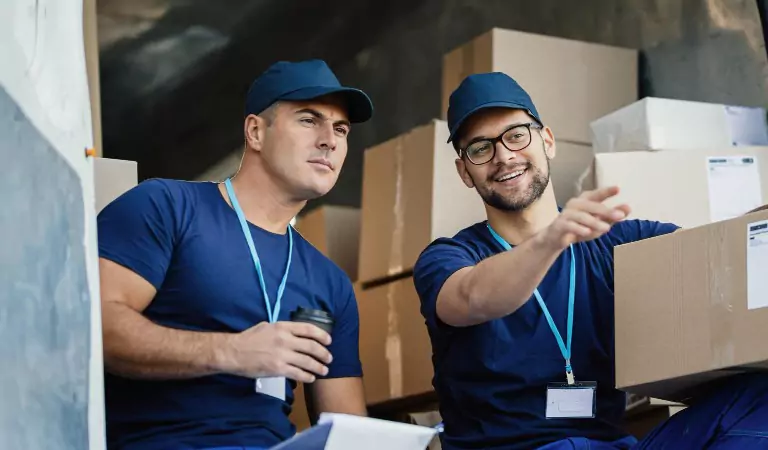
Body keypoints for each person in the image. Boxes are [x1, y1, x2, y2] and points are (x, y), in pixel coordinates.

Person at [412, 71, 768, 450]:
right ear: (464, 171)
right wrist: (551, 239)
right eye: (480, 148)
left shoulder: (617, 242)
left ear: (547, 141)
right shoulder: (448, 258)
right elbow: (473, 296)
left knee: (757, 396)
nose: (504, 156)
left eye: (516, 135)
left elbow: (718, 251)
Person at [97, 59, 373, 450]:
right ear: (256, 132)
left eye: (341, 129)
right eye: (309, 120)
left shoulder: (330, 282)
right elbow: (97, 328)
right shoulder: (165, 206)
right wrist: (233, 351)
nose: (330, 139)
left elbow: (349, 432)